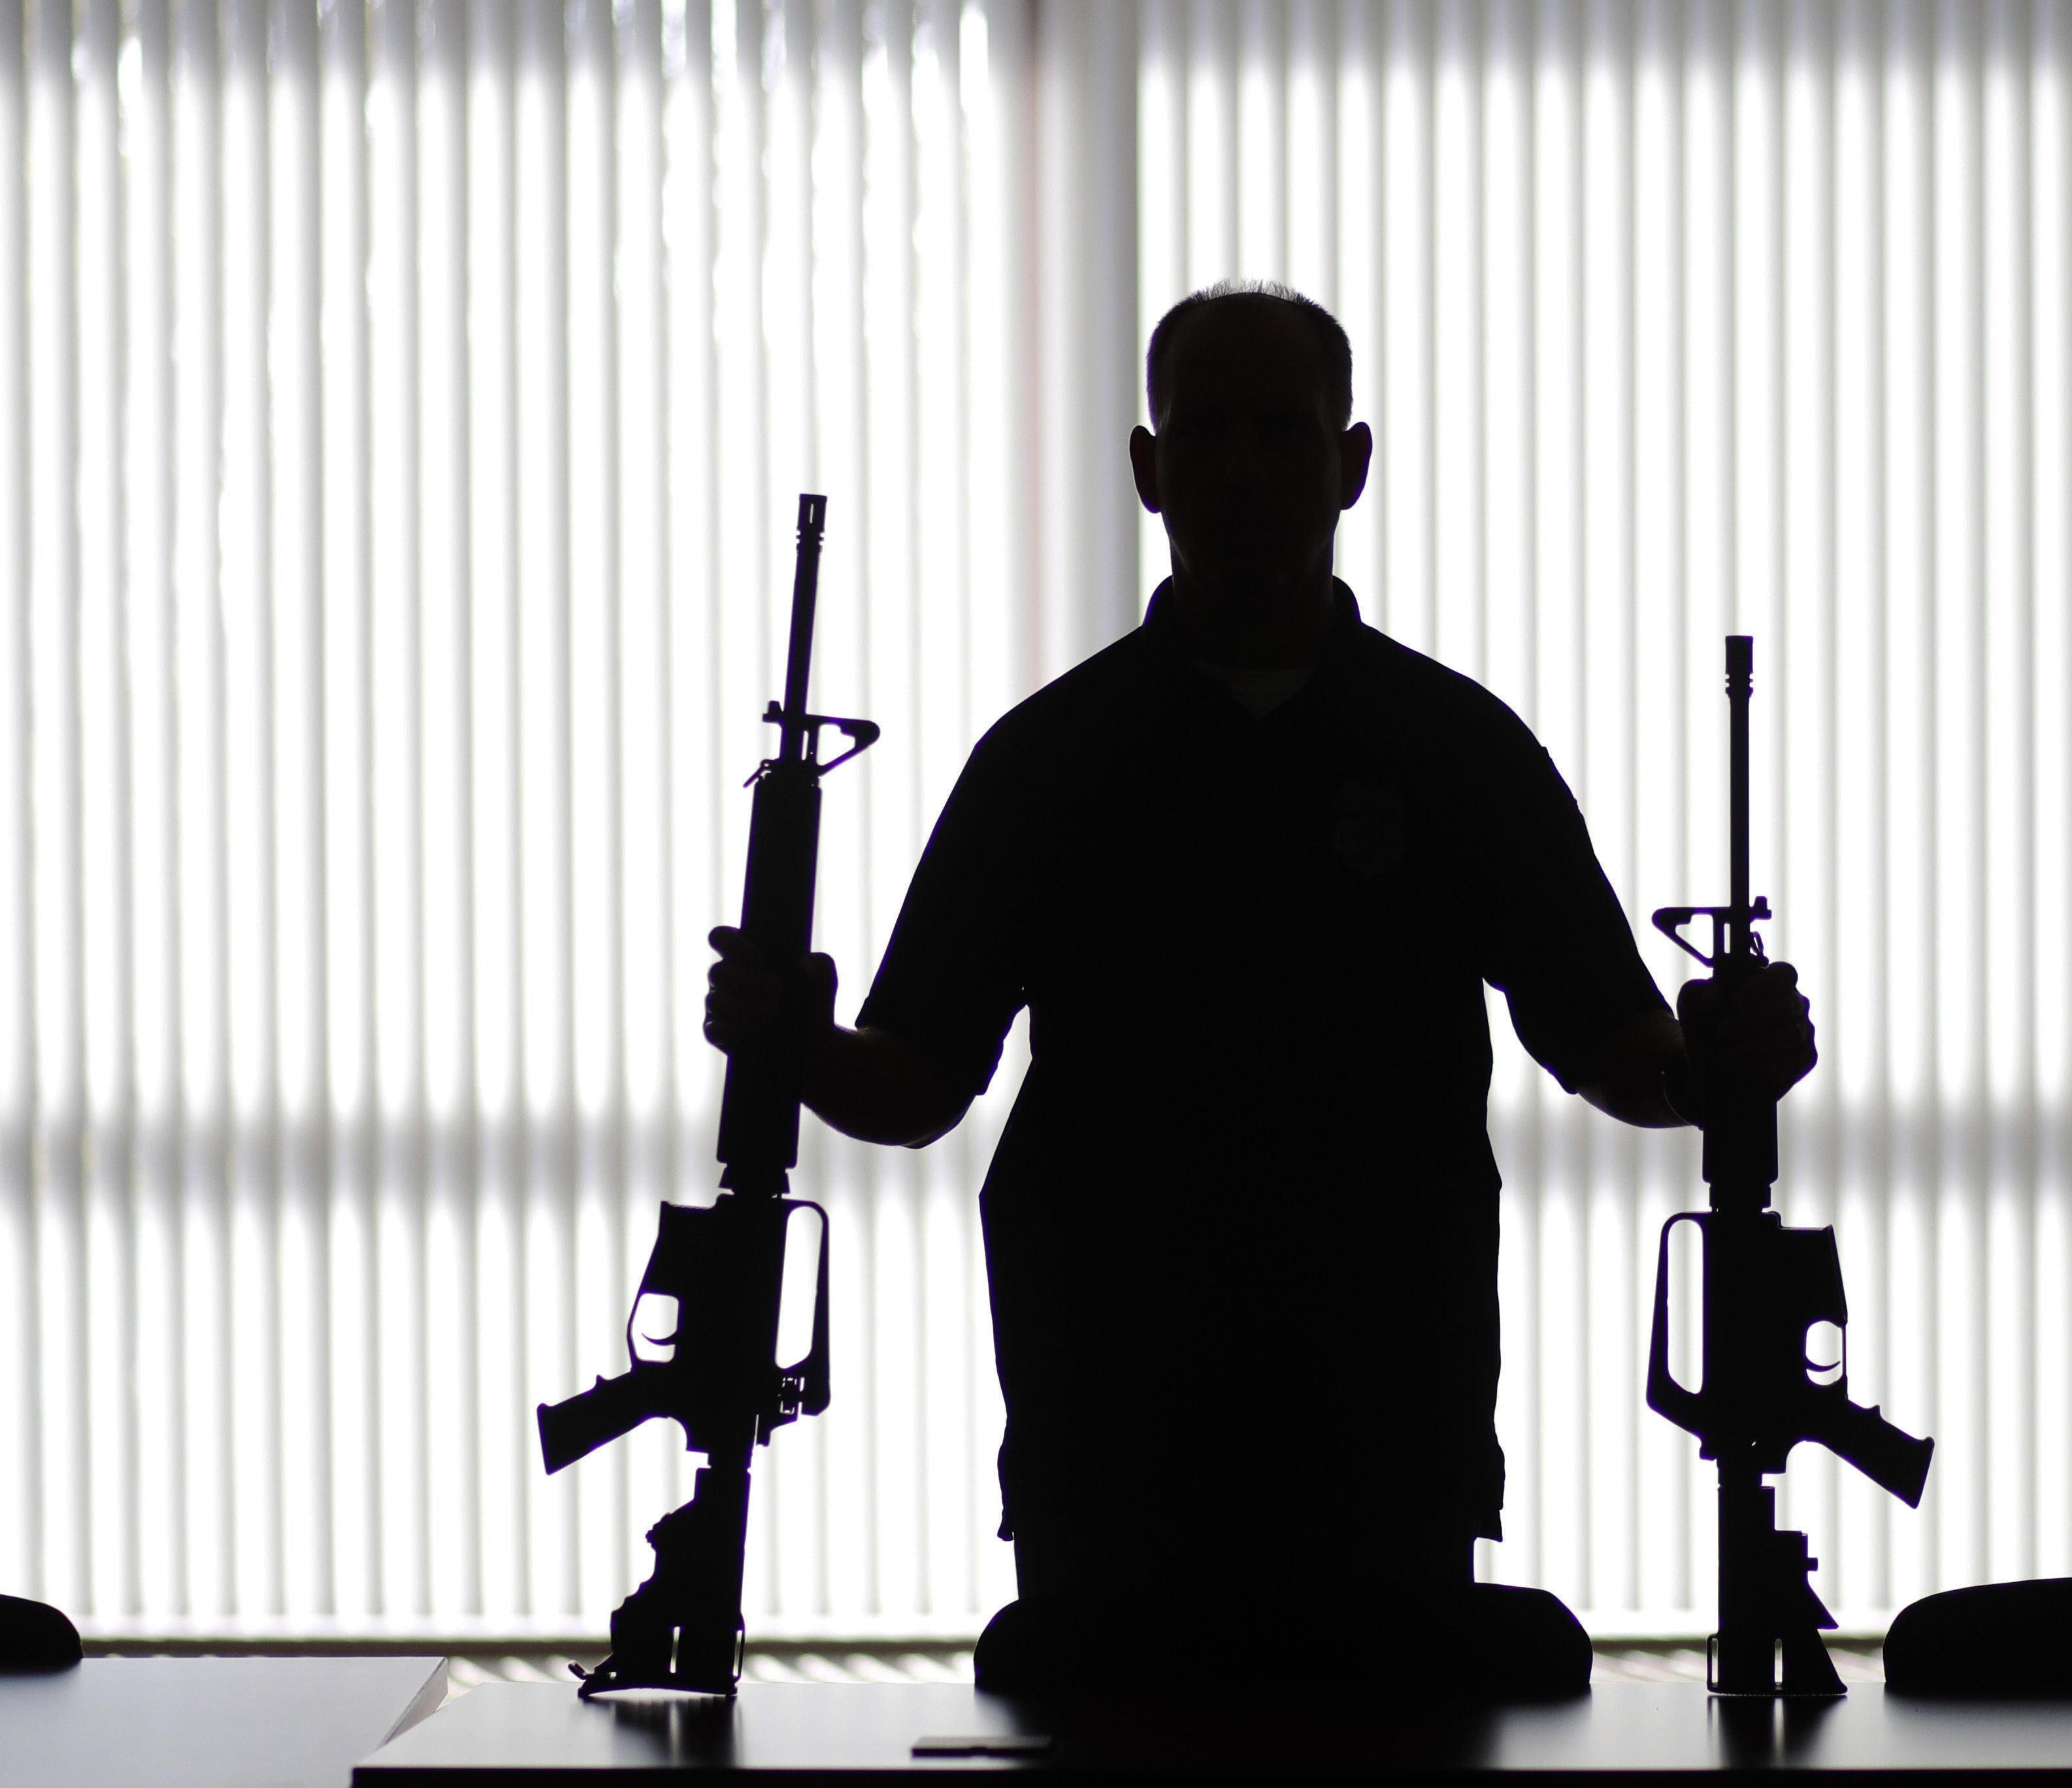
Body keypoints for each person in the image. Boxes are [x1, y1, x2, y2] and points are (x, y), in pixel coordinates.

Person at [703, 282, 1817, 1693]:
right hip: (1108, 1441)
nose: (1241, 468)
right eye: (1206, 431)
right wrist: (795, 1044)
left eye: (1280, 434)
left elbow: (1612, 1047)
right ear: (1146, 466)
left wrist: (1717, 1061)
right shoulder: (1047, 761)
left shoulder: (1455, 750)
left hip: (1384, 1438)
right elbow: (915, 1084)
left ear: (1347, 464)